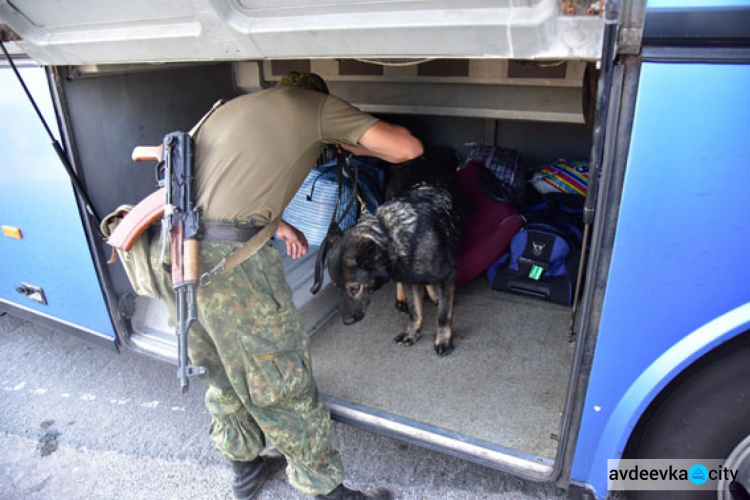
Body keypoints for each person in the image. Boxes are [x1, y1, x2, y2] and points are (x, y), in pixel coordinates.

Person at [149, 71, 423, 500]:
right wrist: (344, 137)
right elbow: (408, 148)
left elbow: (222, 186)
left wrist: (281, 225)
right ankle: (326, 491)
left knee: (220, 368)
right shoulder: (312, 106)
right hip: (230, 268)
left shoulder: (231, 108)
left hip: (172, 249)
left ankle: (245, 469)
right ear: (314, 96)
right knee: (278, 376)